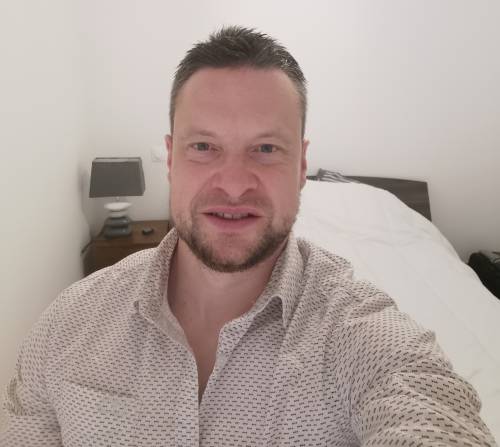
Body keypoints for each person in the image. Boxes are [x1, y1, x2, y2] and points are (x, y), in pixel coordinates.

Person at [1, 26, 496, 446]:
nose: (235, 184)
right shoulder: (68, 324)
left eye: (265, 148)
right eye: (204, 146)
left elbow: (427, 410)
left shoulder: (362, 336)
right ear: (170, 159)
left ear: (301, 165)